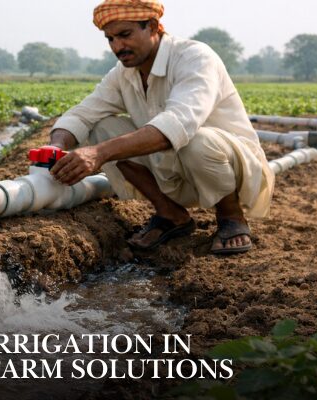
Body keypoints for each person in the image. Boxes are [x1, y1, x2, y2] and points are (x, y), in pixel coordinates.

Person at [48, 0, 274, 255]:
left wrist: (99, 153)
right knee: (101, 127)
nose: (118, 46)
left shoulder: (195, 57)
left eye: (125, 34)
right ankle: (170, 213)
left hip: (226, 167)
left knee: (196, 141)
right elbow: (83, 113)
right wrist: (56, 146)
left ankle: (231, 216)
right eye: (110, 39)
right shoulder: (123, 74)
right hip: (173, 167)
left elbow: (178, 124)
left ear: (153, 27)